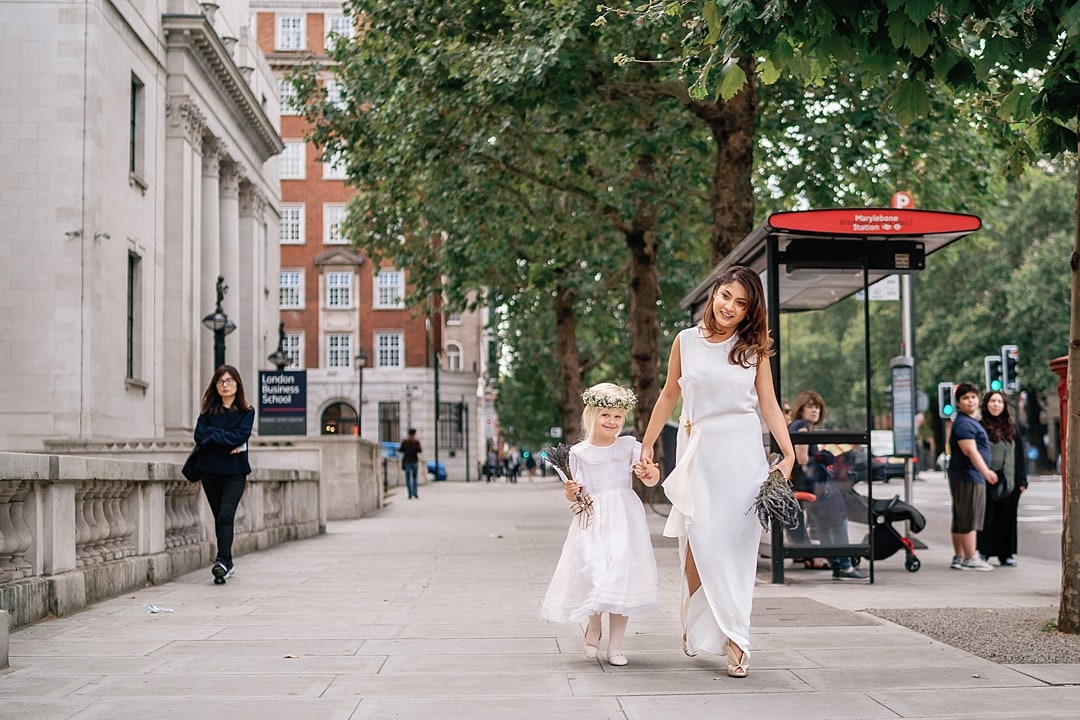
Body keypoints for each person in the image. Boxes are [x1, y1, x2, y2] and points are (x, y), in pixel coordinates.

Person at [637, 266, 795, 678]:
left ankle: (737, 639)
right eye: (726, 296)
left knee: (739, 549)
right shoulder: (685, 341)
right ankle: (697, 619)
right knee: (700, 543)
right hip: (698, 452)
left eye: (741, 303)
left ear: (748, 312)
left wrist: (788, 453)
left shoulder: (753, 348)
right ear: (715, 294)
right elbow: (669, 393)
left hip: (743, 455)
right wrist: (648, 442)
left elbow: (770, 405)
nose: (730, 307)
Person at [541, 383, 660, 667]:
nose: (612, 422)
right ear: (592, 414)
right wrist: (571, 491)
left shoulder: (629, 447)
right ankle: (594, 626)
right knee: (594, 572)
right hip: (592, 518)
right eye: (606, 415)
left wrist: (648, 473)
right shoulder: (578, 453)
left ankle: (616, 646)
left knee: (621, 576)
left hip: (624, 518)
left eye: (618, 416)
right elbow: (573, 493)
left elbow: (652, 478)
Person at [787, 391, 865, 579]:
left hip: (806, 485)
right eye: (810, 406)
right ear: (801, 409)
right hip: (810, 486)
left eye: (817, 407)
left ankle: (837, 562)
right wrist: (822, 457)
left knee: (825, 522)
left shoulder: (798, 426)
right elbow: (802, 459)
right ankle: (844, 565)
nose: (814, 410)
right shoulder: (802, 427)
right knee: (838, 518)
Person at [194, 365, 255, 585]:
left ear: (237, 384)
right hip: (210, 471)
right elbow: (200, 437)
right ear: (215, 385)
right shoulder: (208, 411)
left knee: (226, 515)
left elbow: (240, 437)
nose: (225, 385)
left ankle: (221, 559)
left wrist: (214, 436)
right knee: (219, 516)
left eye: (229, 381)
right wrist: (222, 437)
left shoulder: (247, 412)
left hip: (235, 472)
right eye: (220, 381)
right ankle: (226, 563)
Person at [947, 382, 997, 571]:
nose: (970, 401)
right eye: (965, 398)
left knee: (961, 517)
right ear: (958, 402)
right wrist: (986, 471)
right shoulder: (964, 424)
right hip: (969, 475)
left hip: (965, 475)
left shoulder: (966, 421)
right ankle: (970, 557)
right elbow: (971, 451)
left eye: (973, 397)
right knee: (970, 517)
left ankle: (960, 556)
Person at [977, 391, 1028, 566]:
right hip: (987, 479)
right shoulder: (980, 427)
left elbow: (1020, 455)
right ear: (986, 404)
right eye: (992, 401)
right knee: (987, 517)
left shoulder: (1012, 428)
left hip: (1010, 480)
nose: (996, 405)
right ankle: (983, 551)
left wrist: (1022, 480)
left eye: (999, 401)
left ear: (1004, 406)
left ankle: (1006, 554)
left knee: (1007, 519)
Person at [399, 428, 422, 499]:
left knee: (408, 478)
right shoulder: (416, 442)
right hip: (414, 461)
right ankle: (415, 492)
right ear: (415, 434)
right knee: (415, 477)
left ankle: (409, 493)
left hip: (407, 461)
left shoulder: (405, 442)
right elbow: (420, 450)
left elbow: (401, 450)